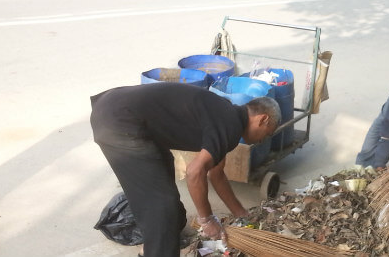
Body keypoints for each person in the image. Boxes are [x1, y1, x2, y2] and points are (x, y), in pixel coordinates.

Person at [90, 83, 281, 257]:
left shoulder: (227, 114)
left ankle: (150, 247)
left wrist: (240, 213)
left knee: (165, 198)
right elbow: (194, 172)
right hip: (120, 121)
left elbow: (216, 174)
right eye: (268, 133)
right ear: (263, 119)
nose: (262, 140)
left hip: (115, 107)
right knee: (162, 206)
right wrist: (206, 220)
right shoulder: (230, 124)